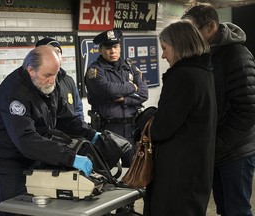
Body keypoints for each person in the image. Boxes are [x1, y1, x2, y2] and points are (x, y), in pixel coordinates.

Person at [0, 45, 100, 216]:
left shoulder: (49, 82)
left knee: (42, 209)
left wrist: (91, 134)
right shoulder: (15, 93)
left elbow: (64, 117)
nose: (53, 80)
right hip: (7, 160)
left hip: (36, 155)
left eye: (55, 74)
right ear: (31, 70)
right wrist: (69, 157)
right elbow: (26, 139)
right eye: (48, 75)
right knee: (16, 210)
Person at [135, 20, 217, 216]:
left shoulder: (183, 77)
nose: (163, 55)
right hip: (196, 171)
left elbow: (161, 128)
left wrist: (145, 116)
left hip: (176, 176)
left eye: (165, 48)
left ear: (179, 45)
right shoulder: (204, 73)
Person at [181, 3, 255, 216]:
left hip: (236, 151)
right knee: (224, 208)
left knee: (238, 210)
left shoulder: (237, 56)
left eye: (193, 30)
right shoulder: (205, 54)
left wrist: (218, 143)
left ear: (211, 26)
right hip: (216, 149)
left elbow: (248, 110)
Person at [84, 29, 148, 168]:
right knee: (106, 170)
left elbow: (144, 94)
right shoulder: (94, 71)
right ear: (100, 50)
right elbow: (109, 90)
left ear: (120, 47)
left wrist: (125, 99)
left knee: (133, 170)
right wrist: (132, 87)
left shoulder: (130, 68)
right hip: (109, 129)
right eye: (108, 48)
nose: (112, 51)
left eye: (115, 47)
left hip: (132, 128)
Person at [35, 37, 84, 120]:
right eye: (52, 52)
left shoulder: (68, 80)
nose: (56, 55)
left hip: (71, 131)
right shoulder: (34, 81)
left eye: (58, 51)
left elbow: (78, 110)